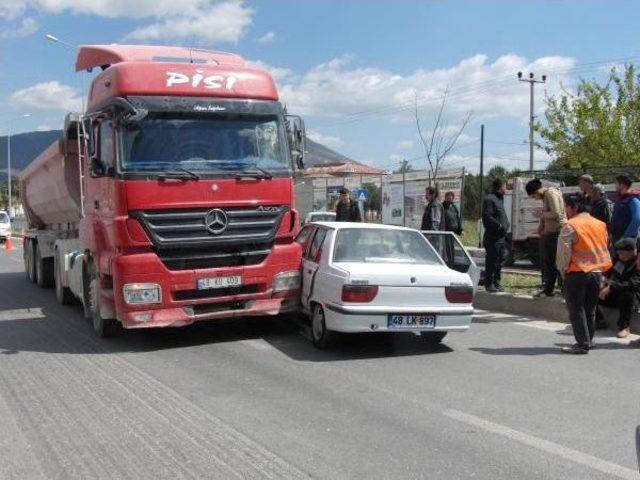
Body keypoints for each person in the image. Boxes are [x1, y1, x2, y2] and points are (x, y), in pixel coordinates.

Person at [556, 195, 612, 354]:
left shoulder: (570, 225)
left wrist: (562, 271)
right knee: (590, 308)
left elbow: (563, 254)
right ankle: (588, 340)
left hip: (576, 272)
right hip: (596, 272)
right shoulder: (600, 225)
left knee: (576, 309)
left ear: (573, 207)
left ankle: (582, 343)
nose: (565, 212)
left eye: (566, 207)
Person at [525, 179, 567, 297]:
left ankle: (559, 289)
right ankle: (549, 289)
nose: (534, 198)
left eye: (533, 196)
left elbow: (556, 213)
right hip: (549, 232)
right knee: (548, 262)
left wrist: (541, 215)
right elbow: (547, 213)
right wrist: (541, 226)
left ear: (537, 191)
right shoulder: (545, 196)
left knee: (556, 263)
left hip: (557, 232)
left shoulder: (551, 193)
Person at [596, 238, 640, 338]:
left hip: (632, 296)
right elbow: (607, 273)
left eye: (621, 252)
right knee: (592, 290)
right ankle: (599, 320)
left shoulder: (637, 263)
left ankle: (624, 327)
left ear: (630, 252)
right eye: (618, 252)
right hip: (614, 292)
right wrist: (602, 283)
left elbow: (633, 284)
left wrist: (611, 287)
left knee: (627, 294)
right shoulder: (618, 260)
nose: (619, 255)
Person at [482, 178, 509, 293]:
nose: (506, 189)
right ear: (500, 187)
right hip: (492, 236)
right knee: (492, 260)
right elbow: (487, 217)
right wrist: (499, 226)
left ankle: (497, 282)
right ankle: (489, 283)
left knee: (500, 259)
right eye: (505, 186)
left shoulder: (500, 199)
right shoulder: (489, 199)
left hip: (501, 237)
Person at [610, 174, 640, 244]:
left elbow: (637, 219)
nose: (615, 185)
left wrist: (625, 237)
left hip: (626, 239)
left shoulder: (633, 200)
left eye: (616, 183)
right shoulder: (620, 199)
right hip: (617, 237)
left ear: (622, 185)